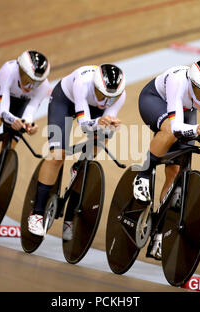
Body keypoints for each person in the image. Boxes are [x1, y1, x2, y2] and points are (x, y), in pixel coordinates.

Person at [133, 59, 200, 259]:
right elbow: (177, 127)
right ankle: (142, 175)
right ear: (194, 86)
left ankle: (158, 233)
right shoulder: (179, 80)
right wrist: (197, 130)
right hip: (155, 100)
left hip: (185, 111)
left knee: (177, 171)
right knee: (169, 131)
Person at [27, 64, 126, 239]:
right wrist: (100, 122)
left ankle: (70, 213)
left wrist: (108, 124)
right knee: (57, 155)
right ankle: (37, 214)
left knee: (100, 141)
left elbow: (103, 125)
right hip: (64, 102)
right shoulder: (83, 83)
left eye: (113, 97)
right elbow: (84, 125)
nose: (107, 100)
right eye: (103, 95)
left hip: (94, 112)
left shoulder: (119, 95)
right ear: (96, 87)